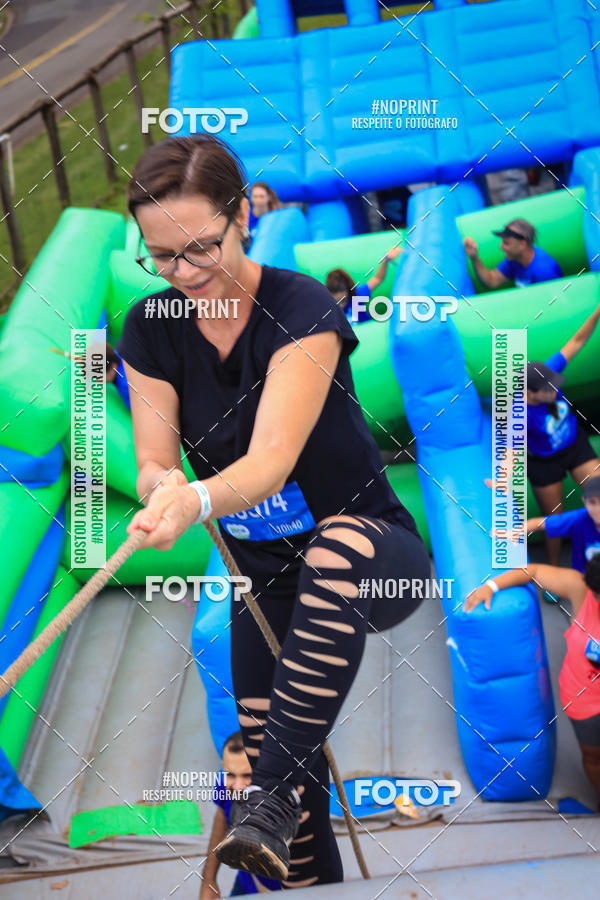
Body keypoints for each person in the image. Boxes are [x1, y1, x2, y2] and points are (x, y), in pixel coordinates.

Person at [116, 134, 430, 887]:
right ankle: (291, 845)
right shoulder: (149, 329)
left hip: (367, 553)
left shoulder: (302, 308)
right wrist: (162, 490)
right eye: (161, 256)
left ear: (244, 216)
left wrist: (192, 498)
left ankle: (270, 800)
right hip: (264, 577)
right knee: (268, 758)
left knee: (332, 557)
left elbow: (270, 463)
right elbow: (155, 459)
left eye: (200, 248)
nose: (183, 273)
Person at [464, 556, 600, 811]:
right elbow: (533, 571)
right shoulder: (581, 590)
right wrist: (490, 587)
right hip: (583, 697)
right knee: (593, 756)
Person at [525, 302, 600, 566]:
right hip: (544, 461)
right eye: (547, 391)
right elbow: (510, 449)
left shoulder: (547, 372)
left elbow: (578, 340)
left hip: (573, 445)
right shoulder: (520, 413)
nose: (554, 392)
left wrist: (598, 309)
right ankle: (553, 571)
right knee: (554, 518)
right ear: (530, 393)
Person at [201, 732, 281, 897]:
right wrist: (208, 880)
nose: (237, 786)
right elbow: (223, 816)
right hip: (246, 884)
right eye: (230, 775)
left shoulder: (281, 797)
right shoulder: (224, 782)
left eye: (247, 776)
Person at [524, 477, 600, 574]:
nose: (598, 509)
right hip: (583, 578)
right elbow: (542, 523)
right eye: (592, 502)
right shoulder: (579, 518)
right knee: (535, 571)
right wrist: (515, 532)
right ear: (584, 501)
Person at [463, 217, 563, 289]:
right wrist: (474, 257)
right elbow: (492, 280)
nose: (501, 247)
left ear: (522, 244)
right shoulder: (514, 260)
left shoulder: (543, 272)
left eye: (506, 243)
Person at [325, 246, 403, 324]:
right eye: (337, 302)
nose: (340, 306)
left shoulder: (357, 295)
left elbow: (377, 278)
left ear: (349, 292)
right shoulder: (330, 310)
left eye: (343, 301)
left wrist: (386, 259)